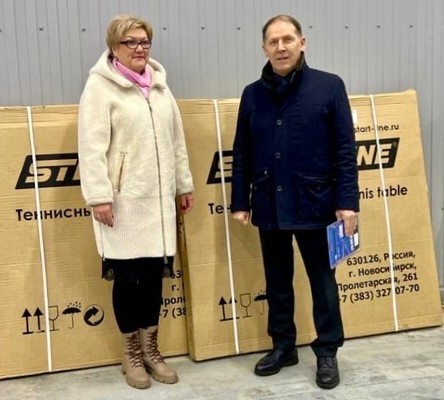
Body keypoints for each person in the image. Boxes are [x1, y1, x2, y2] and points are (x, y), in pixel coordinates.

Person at [231, 14, 359, 390]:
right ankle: (283, 346)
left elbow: (345, 150)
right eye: (273, 41)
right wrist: (240, 201)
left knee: (323, 283)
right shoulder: (252, 94)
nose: (281, 47)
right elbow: (242, 151)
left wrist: (347, 202)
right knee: (277, 281)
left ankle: (327, 351)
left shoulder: (329, 86)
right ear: (264, 49)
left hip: (316, 204)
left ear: (302, 43)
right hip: (269, 203)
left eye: (288, 39)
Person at [78, 14, 194, 390]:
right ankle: (130, 353)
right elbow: (91, 147)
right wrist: (99, 196)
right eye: (131, 42)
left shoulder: (160, 86)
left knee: (153, 280)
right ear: (115, 47)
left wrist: (183, 185)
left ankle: (151, 350)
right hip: (122, 204)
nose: (140, 48)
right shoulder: (100, 88)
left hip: (158, 204)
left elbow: (176, 141)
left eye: (145, 41)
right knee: (128, 280)